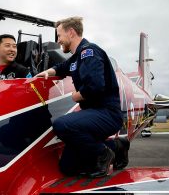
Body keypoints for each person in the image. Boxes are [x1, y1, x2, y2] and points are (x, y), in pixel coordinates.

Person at [36, 17, 123, 178]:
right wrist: (49, 72)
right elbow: (62, 67)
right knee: (68, 168)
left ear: (71, 32)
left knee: (62, 125)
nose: (58, 40)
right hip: (94, 115)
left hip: (107, 113)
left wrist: (76, 96)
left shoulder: (89, 52)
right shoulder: (77, 57)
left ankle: (103, 154)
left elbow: (95, 87)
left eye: (59, 35)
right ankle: (116, 146)